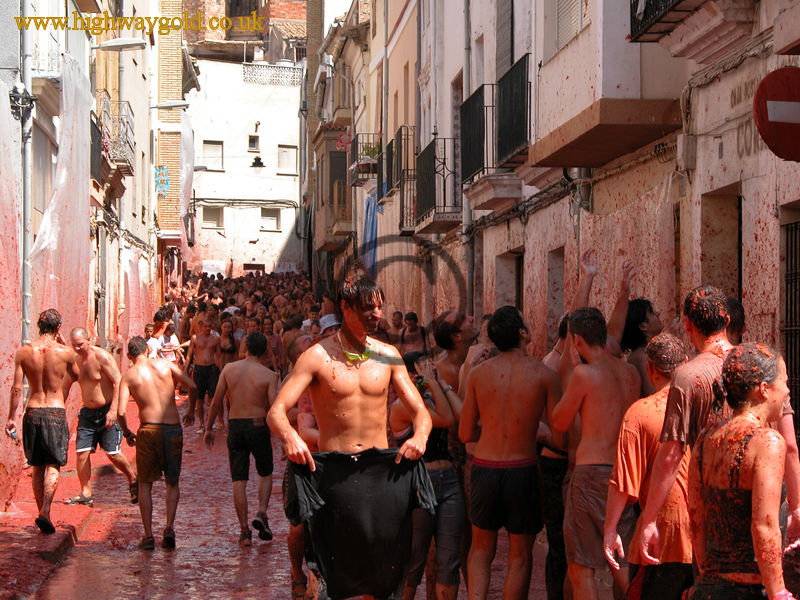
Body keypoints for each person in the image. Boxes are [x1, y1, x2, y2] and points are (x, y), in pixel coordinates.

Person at [267, 273, 434, 600]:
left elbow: (421, 413)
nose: (376, 315)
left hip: (381, 476)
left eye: (379, 308)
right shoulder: (317, 356)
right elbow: (276, 411)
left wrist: (420, 437)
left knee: (383, 572)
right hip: (335, 475)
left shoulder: (388, 354)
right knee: (339, 576)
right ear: (345, 307)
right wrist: (290, 436)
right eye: (367, 308)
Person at [459, 306, 561, 600]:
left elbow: (465, 434)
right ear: (522, 333)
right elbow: (559, 434)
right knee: (520, 556)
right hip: (523, 468)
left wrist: (491, 429)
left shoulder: (478, 375)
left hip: (485, 468)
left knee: (480, 550)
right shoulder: (544, 375)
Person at [684, 344, 796, 600]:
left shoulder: (706, 439)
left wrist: (704, 578)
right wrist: (778, 591)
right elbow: (764, 525)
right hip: (749, 590)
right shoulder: (767, 441)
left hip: (709, 587)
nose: (787, 390)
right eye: (784, 382)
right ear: (764, 389)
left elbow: (696, 518)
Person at [633, 286, 734, 564]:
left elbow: (672, 453)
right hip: (760, 498)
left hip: (710, 504)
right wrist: (795, 507)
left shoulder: (688, 376)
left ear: (687, 324)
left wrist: (649, 518)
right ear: (727, 321)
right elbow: (788, 443)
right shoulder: (763, 363)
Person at [552, 307, 641, 600]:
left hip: (590, 472)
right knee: (621, 556)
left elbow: (559, 423)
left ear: (577, 340)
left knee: (581, 565)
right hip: (624, 473)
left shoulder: (585, 375)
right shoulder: (629, 372)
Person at [604, 333, 693, 600]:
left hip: (660, 532)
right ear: (686, 364)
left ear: (649, 369)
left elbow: (623, 481)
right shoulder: (702, 406)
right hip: (704, 530)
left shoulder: (640, 413)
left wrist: (610, 529)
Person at [391, 353, 465, 600]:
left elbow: (461, 415)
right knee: (414, 558)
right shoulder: (401, 406)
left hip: (449, 481)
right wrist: (433, 382)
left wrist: (441, 383)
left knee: (449, 559)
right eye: (423, 370)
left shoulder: (433, 399)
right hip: (419, 484)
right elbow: (446, 419)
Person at [117, 336, 196, 550]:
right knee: (172, 481)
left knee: (145, 483)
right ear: (147, 349)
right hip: (171, 427)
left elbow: (121, 411)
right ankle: (169, 526)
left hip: (148, 429)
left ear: (129, 355)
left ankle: (148, 534)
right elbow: (192, 385)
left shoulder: (129, 376)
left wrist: (126, 432)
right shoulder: (166, 365)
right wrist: (191, 410)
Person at [204, 332, 279, 546]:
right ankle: (262, 512)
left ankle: (244, 531)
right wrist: (283, 438)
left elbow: (216, 401)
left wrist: (209, 428)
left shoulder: (229, 369)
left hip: (236, 426)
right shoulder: (269, 376)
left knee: (239, 480)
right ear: (265, 350)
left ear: (245, 348)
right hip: (258, 425)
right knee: (265, 473)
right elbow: (274, 409)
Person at [5, 309, 76, 534]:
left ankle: (40, 513)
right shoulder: (65, 352)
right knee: (53, 465)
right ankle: (45, 511)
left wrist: (10, 418)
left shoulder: (25, 352)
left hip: (33, 411)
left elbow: (17, 387)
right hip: (55, 410)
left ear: (37, 325)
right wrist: (67, 347)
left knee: (37, 466)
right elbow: (77, 376)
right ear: (58, 329)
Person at [63, 328, 138, 507]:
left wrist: (113, 410)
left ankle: (132, 477)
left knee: (112, 454)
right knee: (81, 454)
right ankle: (86, 492)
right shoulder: (74, 361)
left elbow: (118, 381)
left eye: (80, 344)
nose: (77, 348)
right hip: (87, 414)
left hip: (106, 411)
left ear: (89, 340)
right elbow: (65, 386)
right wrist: (59, 409)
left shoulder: (102, 357)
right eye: (74, 345)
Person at [620, 298, 664, 397]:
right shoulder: (641, 357)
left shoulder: (648, 352)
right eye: (651, 312)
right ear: (643, 326)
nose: (658, 313)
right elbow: (653, 396)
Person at [183, 320, 221, 433]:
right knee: (199, 398)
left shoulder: (216, 338)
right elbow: (189, 355)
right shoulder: (195, 338)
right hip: (199, 369)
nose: (207, 328)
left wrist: (221, 370)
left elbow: (218, 355)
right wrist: (185, 370)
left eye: (209, 326)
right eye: (205, 326)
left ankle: (210, 421)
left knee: (211, 397)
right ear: (201, 327)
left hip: (212, 368)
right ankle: (201, 424)